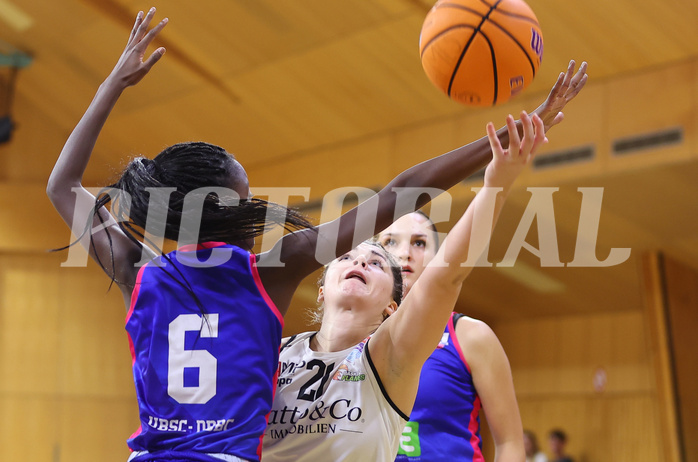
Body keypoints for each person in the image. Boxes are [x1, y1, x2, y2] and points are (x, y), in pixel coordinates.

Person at [46, 8, 581, 462]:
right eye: (247, 193)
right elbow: (402, 190)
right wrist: (503, 141)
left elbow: (62, 184)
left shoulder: (136, 271)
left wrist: (111, 86)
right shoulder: (272, 272)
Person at [262, 109, 548, 461]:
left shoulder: (390, 354)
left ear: (391, 306)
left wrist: (497, 186)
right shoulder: (274, 350)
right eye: (348, 257)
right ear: (321, 287)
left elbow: (447, 276)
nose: (363, 261)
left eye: (418, 243)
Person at [377, 208, 524, 461]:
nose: (404, 253)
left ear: (439, 258)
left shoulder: (471, 336)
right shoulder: (354, 339)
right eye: (390, 241)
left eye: (419, 243)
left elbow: (510, 443)